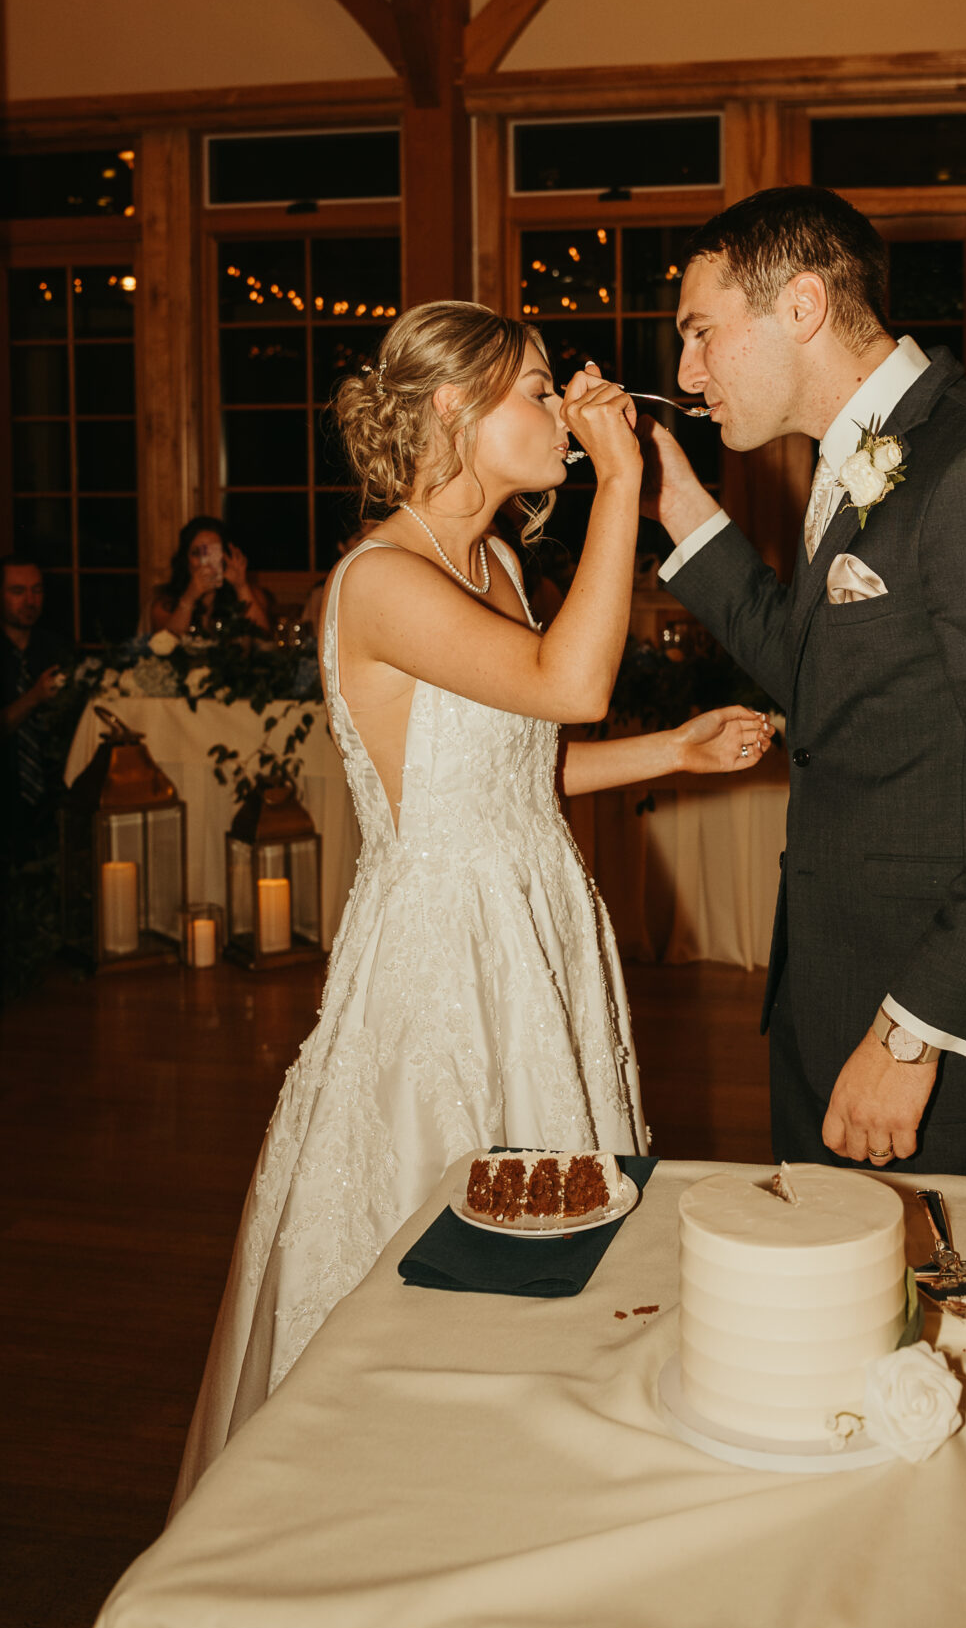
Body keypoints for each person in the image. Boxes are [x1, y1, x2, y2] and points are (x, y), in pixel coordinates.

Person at [173, 302, 773, 1509]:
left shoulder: (495, 562)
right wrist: (619, 489)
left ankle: (529, 1478)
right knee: (429, 1235)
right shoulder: (380, 578)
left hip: (536, 922)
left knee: (554, 1236)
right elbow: (573, 682)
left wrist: (675, 753)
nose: (563, 411)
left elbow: (519, 766)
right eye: (539, 392)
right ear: (453, 409)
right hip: (442, 950)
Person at [645, 185, 966, 1182]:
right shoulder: (849, 460)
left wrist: (911, 1036)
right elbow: (824, 685)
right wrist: (674, 501)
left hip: (949, 1047)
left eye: (701, 333)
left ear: (802, 305)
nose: (685, 373)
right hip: (829, 1000)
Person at [0, 555, 71, 886]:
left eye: (36, 590)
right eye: (18, 591)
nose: (29, 601)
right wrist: (33, 698)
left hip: (52, 803)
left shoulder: (55, 649)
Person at [147, 515, 275, 639]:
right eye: (197, 553)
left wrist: (241, 586)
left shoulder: (251, 595)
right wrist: (189, 598)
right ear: (185, 559)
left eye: (213, 552)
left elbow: (263, 638)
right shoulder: (165, 605)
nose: (206, 562)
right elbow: (166, 645)